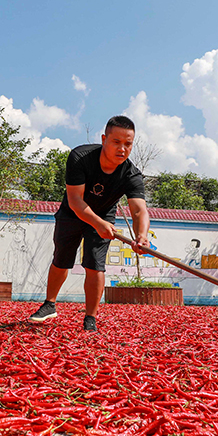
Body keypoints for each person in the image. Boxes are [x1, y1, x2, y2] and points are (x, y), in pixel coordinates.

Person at [27, 115, 150, 331]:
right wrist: (97, 222)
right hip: (73, 212)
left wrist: (141, 236)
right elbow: (75, 200)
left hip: (104, 215)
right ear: (104, 139)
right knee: (61, 259)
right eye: (116, 142)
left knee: (95, 264)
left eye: (128, 144)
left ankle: (90, 318)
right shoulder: (80, 157)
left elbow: (139, 210)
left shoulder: (131, 174)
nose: (122, 149)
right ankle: (49, 304)